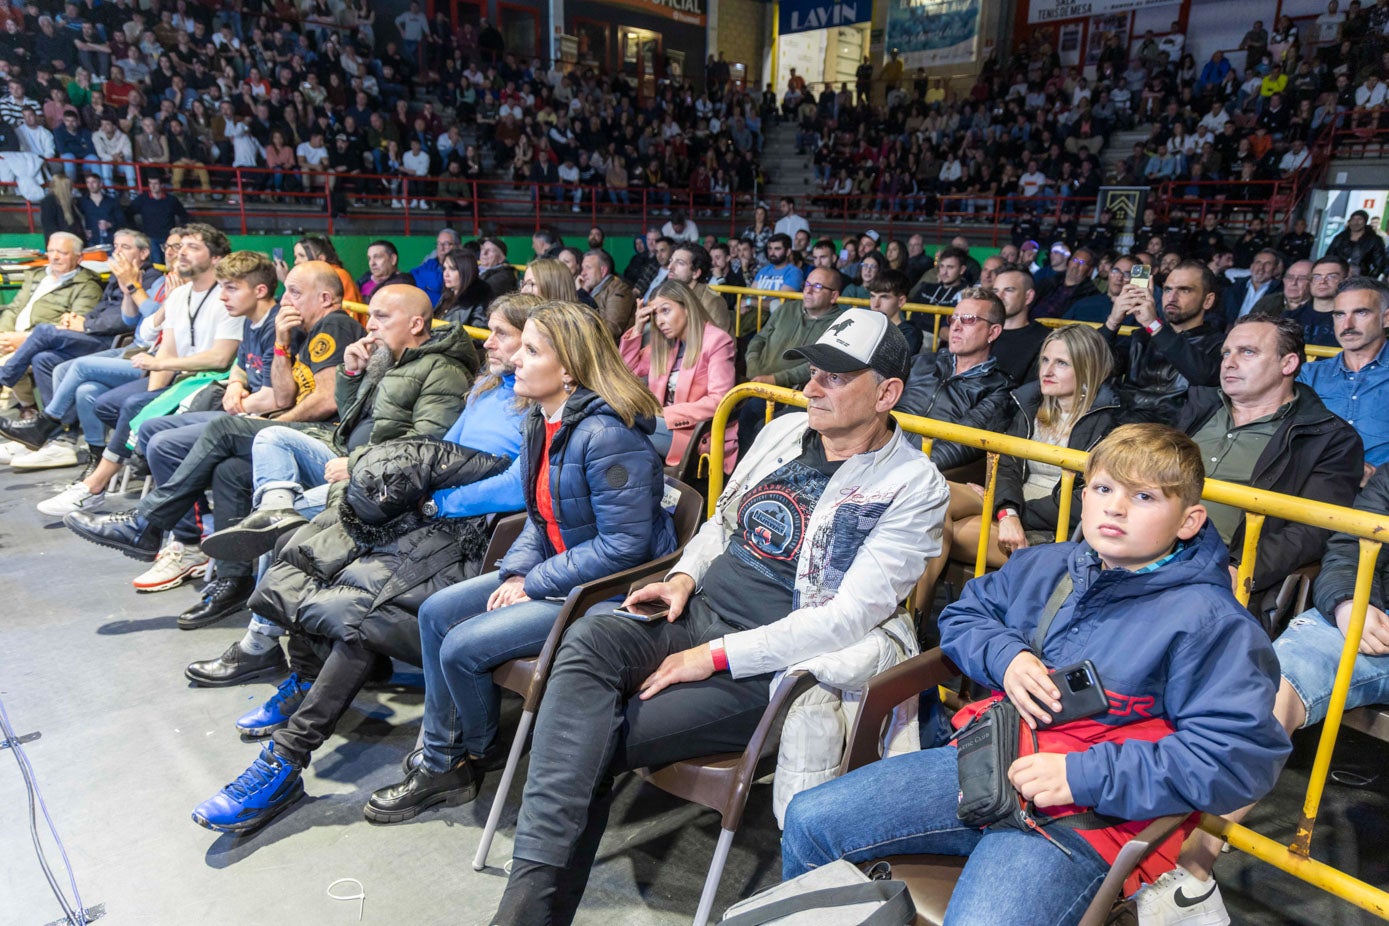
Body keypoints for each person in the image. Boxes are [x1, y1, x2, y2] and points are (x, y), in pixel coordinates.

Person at [489, 308, 948, 924]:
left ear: (887, 392)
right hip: (696, 612)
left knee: (590, 737)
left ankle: (524, 914)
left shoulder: (914, 484)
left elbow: (844, 619)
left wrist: (712, 657)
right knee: (588, 638)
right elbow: (720, 525)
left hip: (766, 663)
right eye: (812, 372)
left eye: (836, 378)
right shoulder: (783, 433)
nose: (811, 387)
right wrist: (682, 576)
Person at [781, 424, 1291, 926]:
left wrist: (1081, 776)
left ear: (1189, 520)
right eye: (1104, 488)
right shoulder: (1049, 565)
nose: (1115, 507)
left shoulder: (1214, 625)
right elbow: (965, 615)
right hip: (990, 765)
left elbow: (1234, 760)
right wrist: (1008, 656)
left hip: (1088, 819)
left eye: (1144, 497)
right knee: (811, 819)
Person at [365, 300, 678, 830]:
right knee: (437, 612)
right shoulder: (543, 418)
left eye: (531, 350)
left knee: (462, 647)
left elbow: (626, 547)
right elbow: (541, 516)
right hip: (562, 570)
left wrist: (534, 582)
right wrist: (516, 571)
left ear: (570, 370)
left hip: (604, 590)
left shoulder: (608, 436)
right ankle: (446, 754)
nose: (514, 360)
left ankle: (471, 757)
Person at [183, 294, 540, 690]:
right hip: (377, 472)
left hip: (409, 492)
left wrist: (420, 498)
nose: (368, 324)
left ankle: (272, 651)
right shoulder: (475, 385)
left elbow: (429, 448)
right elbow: (353, 424)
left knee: (298, 529)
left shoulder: (451, 374)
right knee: (250, 473)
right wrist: (352, 375)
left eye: (381, 316)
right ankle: (277, 627)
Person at [1152, 460, 1389, 924]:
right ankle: (1185, 871)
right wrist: (1346, 603)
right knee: (1269, 687)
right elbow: (1347, 548)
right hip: (1375, 614)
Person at [62, 262, 361, 628]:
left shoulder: (336, 325)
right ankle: (232, 580)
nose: (287, 300)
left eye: (295, 292)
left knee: (224, 428)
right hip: (301, 433)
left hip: (327, 439)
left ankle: (146, 524)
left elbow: (327, 401)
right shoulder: (298, 330)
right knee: (230, 471)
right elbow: (285, 392)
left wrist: (273, 427)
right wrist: (282, 344)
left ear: (326, 297)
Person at [1177, 314, 1362, 606]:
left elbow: (1312, 530)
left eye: (1247, 352)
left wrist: (1242, 568)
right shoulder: (1198, 406)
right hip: (1148, 543)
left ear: (1287, 364)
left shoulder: (1329, 438)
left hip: (1220, 567)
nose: (1229, 362)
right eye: (1226, 352)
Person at [947, 325, 1119, 572]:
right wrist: (1007, 511)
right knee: (936, 496)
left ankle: (913, 608)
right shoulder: (1028, 405)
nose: (1046, 371)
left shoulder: (1110, 424)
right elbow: (1008, 468)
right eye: (1045, 360)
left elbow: (1086, 498)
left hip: (1053, 529)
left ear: (1087, 370)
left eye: (1061, 363)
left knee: (939, 529)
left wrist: (1012, 514)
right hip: (1008, 506)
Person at [0, 229, 157, 426]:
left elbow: (123, 321)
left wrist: (85, 324)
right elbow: (99, 309)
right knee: (43, 358)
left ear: (143, 253)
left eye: (125, 247)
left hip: (114, 342)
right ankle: (58, 431)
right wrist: (75, 319)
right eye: (116, 247)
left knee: (43, 331)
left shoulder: (148, 278)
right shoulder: (115, 278)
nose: (118, 252)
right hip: (92, 334)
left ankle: (5, 376)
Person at [620, 279, 737, 469]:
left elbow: (719, 401)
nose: (659, 321)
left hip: (696, 436)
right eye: (655, 315)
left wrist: (663, 414)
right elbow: (625, 374)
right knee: (616, 424)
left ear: (687, 307)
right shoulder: (667, 344)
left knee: (624, 428)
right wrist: (638, 328)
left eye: (665, 310)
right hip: (662, 426)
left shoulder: (717, 341)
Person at [897, 289, 1015, 475]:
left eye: (968, 319)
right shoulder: (922, 362)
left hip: (920, 475)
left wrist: (906, 470)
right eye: (954, 319)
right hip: (875, 456)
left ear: (992, 332)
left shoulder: (1000, 388)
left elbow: (960, 445)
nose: (956, 327)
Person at [1103, 260, 1224, 423]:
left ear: (1207, 300)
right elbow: (1093, 366)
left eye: (1184, 290)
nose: (1172, 298)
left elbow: (1204, 377)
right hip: (1120, 421)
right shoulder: (1142, 337)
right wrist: (1112, 322)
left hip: (1169, 433)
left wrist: (1154, 325)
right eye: (1167, 289)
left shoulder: (1219, 344)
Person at [738, 266, 847, 445]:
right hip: (756, 380)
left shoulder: (840, 324)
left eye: (818, 287)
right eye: (807, 284)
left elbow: (818, 365)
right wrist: (752, 366)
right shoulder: (786, 309)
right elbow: (759, 338)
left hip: (793, 393)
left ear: (833, 296)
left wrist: (775, 379)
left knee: (753, 419)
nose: (809, 290)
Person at [1299, 277, 1389, 478]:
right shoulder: (1310, 373)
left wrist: (1380, 477)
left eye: (1361, 312)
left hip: (1381, 495)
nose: (1347, 324)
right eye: (1339, 315)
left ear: (1386, 318)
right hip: (1316, 483)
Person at [666, 242, 732, 332]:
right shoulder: (669, 296)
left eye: (680, 263)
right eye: (671, 261)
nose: (670, 267)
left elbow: (718, 343)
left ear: (696, 273)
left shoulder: (713, 302)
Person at [1282, 257, 1343, 348]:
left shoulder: (1350, 320)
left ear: (1345, 281)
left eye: (1331, 276)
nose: (1322, 281)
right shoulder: (1289, 318)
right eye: (1317, 277)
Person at [124, 175, 188, 262]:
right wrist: (136, 230)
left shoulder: (171, 200)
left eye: (155, 183)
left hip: (168, 237)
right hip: (151, 237)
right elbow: (128, 213)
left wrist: (179, 231)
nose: (152, 186)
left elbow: (184, 216)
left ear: (162, 185)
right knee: (157, 263)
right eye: (150, 183)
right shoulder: (142, 199)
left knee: (171, 262)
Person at [579, 248, 636, 339]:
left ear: (603, 271)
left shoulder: (618, 289)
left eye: (588, 268)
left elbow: (613, 329)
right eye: (582, 268)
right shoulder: (590, 289)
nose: (582, 273)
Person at [866, 268, 922, 354]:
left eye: (884, 297)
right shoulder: (866, 325)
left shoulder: (909, 333)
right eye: (872, 296)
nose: (875, 304)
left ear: (901, 301)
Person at [433, 248, 493, 327]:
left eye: (452, 269)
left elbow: (477, 336)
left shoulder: (480, 300)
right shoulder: (448, 294)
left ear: (466, 271)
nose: (446, 274)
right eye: (444, 268)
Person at [1325, 209, 1387, 278]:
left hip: (1360, 277)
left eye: (1360, 219)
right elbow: (1329, 256)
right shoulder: (1340, 237)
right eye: (1353, 219)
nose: (1356, 222)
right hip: (1339, 274)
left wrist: (1368, 280)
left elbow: (1380, 263)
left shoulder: (1374, 240)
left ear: (1365, 222)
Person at [410, 227, 460, 304]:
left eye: (446, 244)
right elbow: (412, 274)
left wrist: (425, 285)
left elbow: (438, 284)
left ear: (458, 246)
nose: (441, 248)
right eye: (438, 244)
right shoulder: (431, 263)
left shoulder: (463, 266)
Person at [39, 173, 85, 241]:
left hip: (71, 242)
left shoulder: (69, 202)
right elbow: (50, 228)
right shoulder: (49, 202)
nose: (71, 189)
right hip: (60, 245)